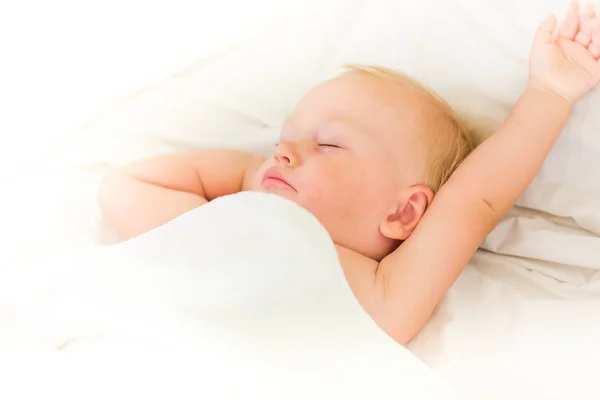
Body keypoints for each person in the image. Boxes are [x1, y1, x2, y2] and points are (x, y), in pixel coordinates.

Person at [97, 2, 600, 344]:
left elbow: (477, 199)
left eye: (328, 144)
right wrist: (253, 181)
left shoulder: (387, 291)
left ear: (404, 212)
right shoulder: (223, 228)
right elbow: (124, 187)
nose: (284, 152)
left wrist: (550, 94)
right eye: (280, 142)